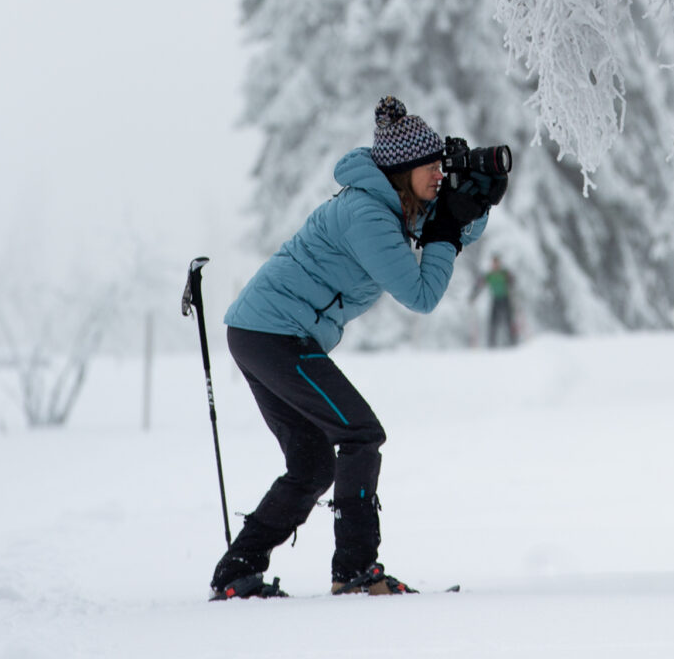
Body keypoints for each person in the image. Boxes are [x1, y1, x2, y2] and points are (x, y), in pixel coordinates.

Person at [209, 96, 504, 599]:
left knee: (313, 465)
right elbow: (421, 293)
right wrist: (451, 227)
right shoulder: (367, 215)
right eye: (429, 167)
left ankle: (236, 572)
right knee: (361, 434)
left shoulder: (392, 206)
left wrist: (477, 201)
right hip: (273, 334)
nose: (437, 175)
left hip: (264, 333)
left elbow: (447, 230)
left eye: (440, 165)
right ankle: (356, 571)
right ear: (401, 170)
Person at [471, 255, 518, 347]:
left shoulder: (504, 273)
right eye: (494, 263)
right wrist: (473, 296)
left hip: (505, 299)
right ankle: (492, 344)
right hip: (495, 300)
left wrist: (510, 279)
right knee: (493, 322)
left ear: (499, 263)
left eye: (497, 263)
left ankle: (513, 342)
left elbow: (512, 281)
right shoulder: (490, 275)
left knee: (509, 321)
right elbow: (479, 285)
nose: (495, 265)